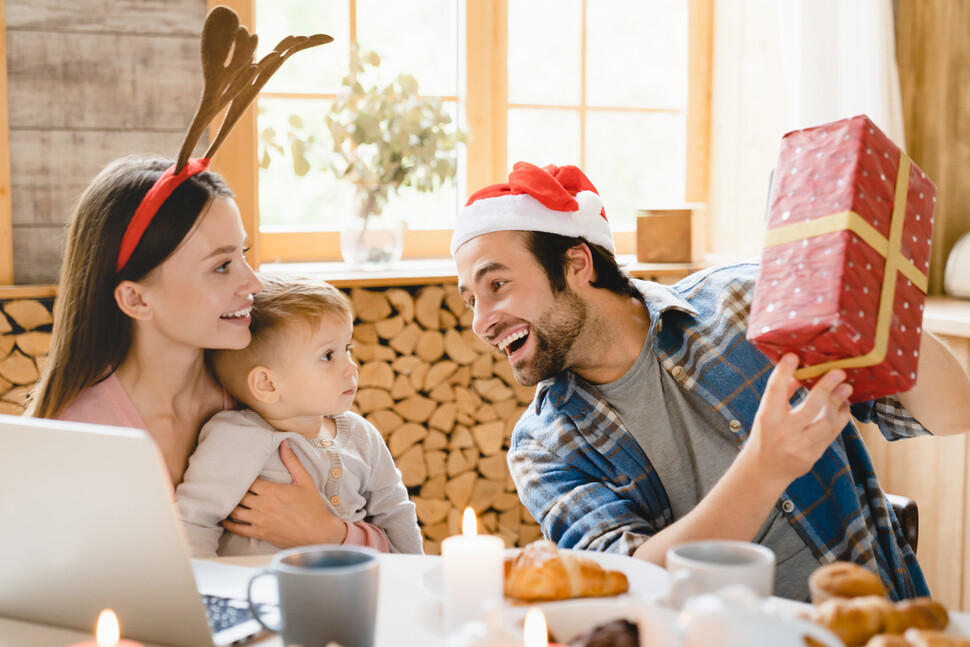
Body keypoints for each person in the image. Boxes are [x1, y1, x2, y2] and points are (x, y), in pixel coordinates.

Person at [450, 161, 970, 601]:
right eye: (471, 299)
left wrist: (874, 296)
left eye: (497, 284)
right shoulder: (543, 448)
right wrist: (764, 468)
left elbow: (952, 412)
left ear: (578, 264)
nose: (481, 321)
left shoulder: (747, 300)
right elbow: (629, 580)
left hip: (873, 628)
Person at [27, 154, 386, 550]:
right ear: (136, 299)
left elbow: (398, 548)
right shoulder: (79, 438)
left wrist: (334, 534)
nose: (254, 283)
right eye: (221, 266)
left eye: (244, 255)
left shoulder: (274, 384)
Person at [176, 274, 422, 557]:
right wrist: (205, 593)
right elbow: (193, 521)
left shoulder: (361, 436)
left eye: (347, 349)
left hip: (348, 590)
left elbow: (396, 512)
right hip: (257, 593)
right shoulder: (235, 437)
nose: (351, 367)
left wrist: (412, 573)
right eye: (328, 356)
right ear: (267, 385)